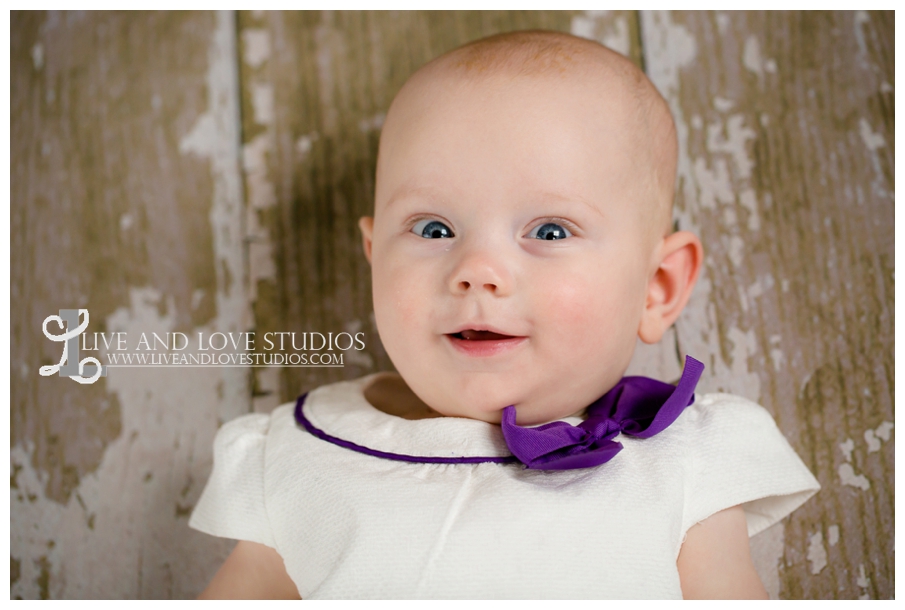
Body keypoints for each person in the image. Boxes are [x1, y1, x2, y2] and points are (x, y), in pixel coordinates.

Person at [190, 30, 819, 599]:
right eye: (433, 228)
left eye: (548, 230)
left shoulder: (684, 460)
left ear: (656, 288)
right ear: (374, 256)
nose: (477, 269)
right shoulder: (303, 455)